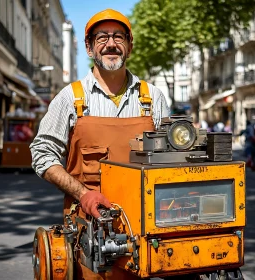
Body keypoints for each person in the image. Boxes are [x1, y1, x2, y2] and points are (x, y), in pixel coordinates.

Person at [30, 9, 169, 220]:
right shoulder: (70, 98)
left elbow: (170, 158)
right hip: (88, 225)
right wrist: (83, 194)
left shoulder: (153, 97)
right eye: (102, 37)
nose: (111, 44)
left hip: (147, 219)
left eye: (119, 37)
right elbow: (42, 153)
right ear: (89, 47)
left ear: (129, 47)